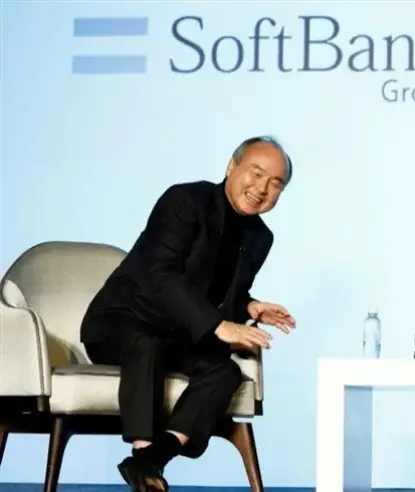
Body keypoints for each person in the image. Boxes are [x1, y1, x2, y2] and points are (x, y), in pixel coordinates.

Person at [80, 136, 297, 492]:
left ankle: (152, 461)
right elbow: (161, 274)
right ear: (231, 167)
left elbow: (222, 291)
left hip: (177, 335)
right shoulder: (184, 201)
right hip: (122, 322)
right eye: (256, 173)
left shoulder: (261, 237)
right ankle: (142, 449)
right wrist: (218, 325)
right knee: (146, 343)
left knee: (224, 371)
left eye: (276, 184)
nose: (262, 189)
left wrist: (249, 306)